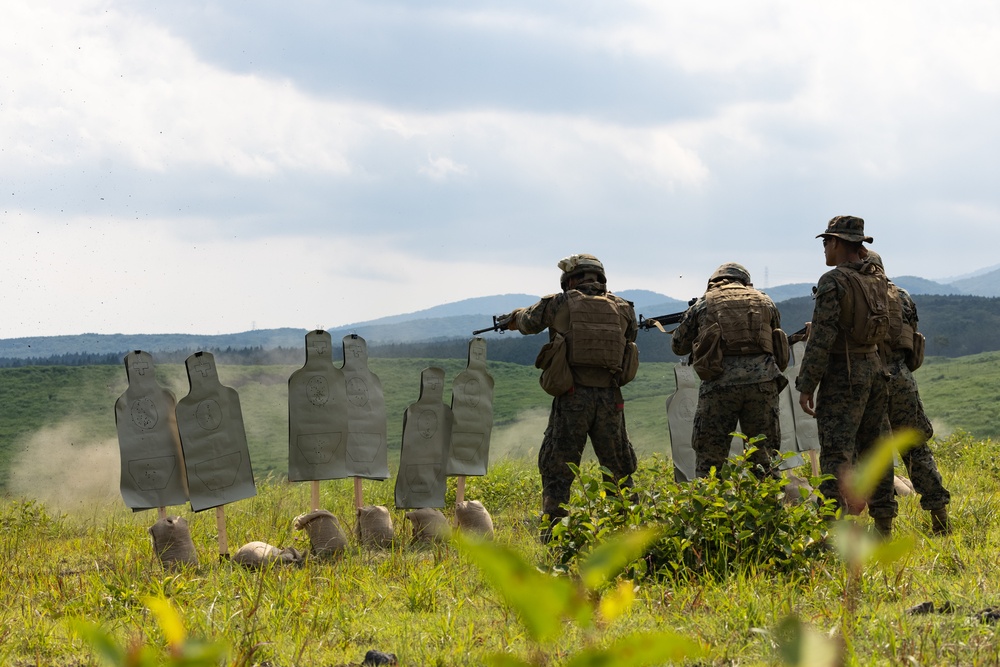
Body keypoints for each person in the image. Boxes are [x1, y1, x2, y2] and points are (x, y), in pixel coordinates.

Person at [504, 253, 639, 541]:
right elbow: (630, 339)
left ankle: (554, 535)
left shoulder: (559, 302)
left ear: (570, 278)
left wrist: (514, 317)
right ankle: (626, 533)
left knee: (558, 467)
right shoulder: (623, 307)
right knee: (618, 468)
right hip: (610, 399)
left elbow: (528, 324)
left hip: (572, 395)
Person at [795, 215, 896, 537]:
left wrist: (806, 384)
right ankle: (884, 523)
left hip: (845, 374)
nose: (824, 248)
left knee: (837, 453)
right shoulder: (876, 277)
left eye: (826, 242)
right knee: (875, 449)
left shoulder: (833, 280)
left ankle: (834, 528)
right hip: (876, 370)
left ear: (837, 242)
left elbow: (822, 336)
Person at [670, 262, 788, 478]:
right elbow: (777, 338)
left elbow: (679, 346)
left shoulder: (704, 302)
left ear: (714, 281)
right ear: (745, 281)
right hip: (763, 385)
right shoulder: (764, 300)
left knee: (710, 460)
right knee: (765, 458)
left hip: (719, 385)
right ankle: (770, 508)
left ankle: (709, 508)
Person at [867, 251, 952, 535]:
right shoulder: (901, 295)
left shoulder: (852, 292)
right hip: (902, 376)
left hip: (868, 376)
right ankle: (940, 516)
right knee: (915, 446)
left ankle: (883, 529)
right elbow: (912, 334)